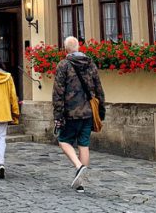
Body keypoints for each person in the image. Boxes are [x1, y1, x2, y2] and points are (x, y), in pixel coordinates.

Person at [52, 36, 106, 193]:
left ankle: (78, 166)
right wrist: (101, 111)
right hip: (88, 112)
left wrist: (58, 115)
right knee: (84, 145)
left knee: (63, 140)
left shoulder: (64, 65)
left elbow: (58, 92)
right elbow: (99, 90)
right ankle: (80, 183)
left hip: (71, 112)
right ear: (78, 47)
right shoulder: (90, 64)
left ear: (66, 49)